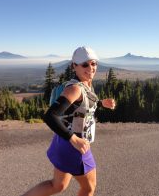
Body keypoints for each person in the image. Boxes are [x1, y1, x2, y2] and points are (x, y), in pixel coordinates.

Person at [22, 46, 116, 196]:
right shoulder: (75, 89)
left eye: (93, 63)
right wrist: (74, 139)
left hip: (63, 142)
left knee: (57, 185)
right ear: (74, 66)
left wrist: (101, 103)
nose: (91, 68)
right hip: (75, 146)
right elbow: (50, 116)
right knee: (89, 188)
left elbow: (83, 104)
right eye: (85, 64)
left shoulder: (85, 84)